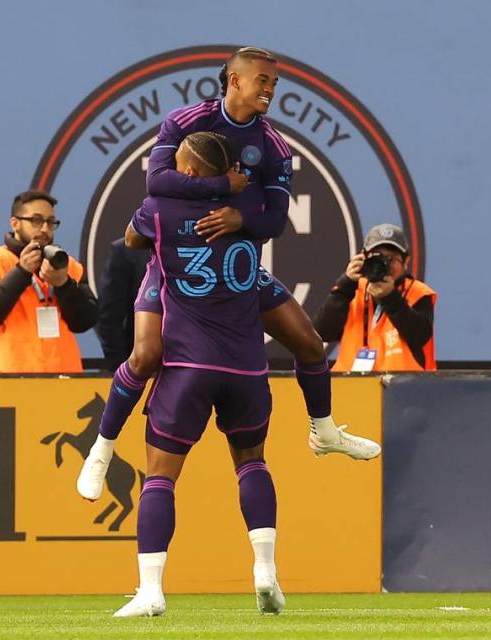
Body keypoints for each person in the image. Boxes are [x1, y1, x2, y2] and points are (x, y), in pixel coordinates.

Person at [82, 45, 379, 477]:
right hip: (173, 269)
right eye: (263, 80)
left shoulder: (274, 146)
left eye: (275, 83)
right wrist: (224, 184)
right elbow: (156, 182)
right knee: (145, 356)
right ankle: (102, 449)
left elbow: (276, 220)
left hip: (238, 275)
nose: (270, 91)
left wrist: (241, 218)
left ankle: (325, 431)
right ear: (235, 80)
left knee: (311, 345)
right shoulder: (186, 121)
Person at [111, 132, 284, 617]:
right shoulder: (247, 212)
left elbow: (131, 238)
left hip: (189, 364)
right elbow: (274, 212)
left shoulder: (161, 209)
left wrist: (178, 189)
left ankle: (150, 590)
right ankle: (266, 570)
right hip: (248, 366)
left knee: (160, 478)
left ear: (186, 172)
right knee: (252, 464)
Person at [0, 190, 98, 373]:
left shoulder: (67, 265)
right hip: (4, 382)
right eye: (36, 220)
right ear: (15, 223)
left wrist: (64, 285)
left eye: (50, 222)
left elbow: (85, 321)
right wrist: (21, 272)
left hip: (65, 381)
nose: (44, 228)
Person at [314, 224, 437, 372]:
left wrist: (390, 297)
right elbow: (322, 333)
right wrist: (345, 285)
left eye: (391, 259)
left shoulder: (418, 293)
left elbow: (419, 336)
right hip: (352, 387)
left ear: (406, 262)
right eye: (376, 257)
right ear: (363, 257)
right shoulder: (351, 291)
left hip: (402, 388)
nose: (384, 264)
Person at [95, 238, 151, 370]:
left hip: (197, 363)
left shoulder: (201, 246)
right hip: (145, 368)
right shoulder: (127, 251)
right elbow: (109, 319)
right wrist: (124, 372)